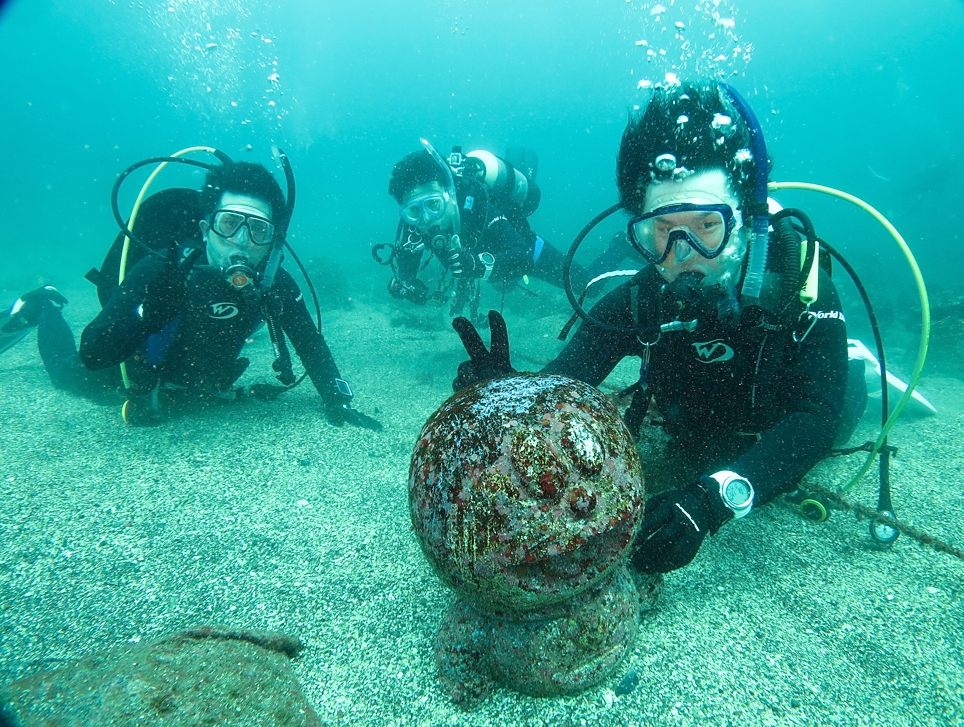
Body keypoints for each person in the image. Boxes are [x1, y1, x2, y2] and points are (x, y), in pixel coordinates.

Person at [449, 80, 852, 575]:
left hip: (779, 427)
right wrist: (512, 395)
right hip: (696, 439)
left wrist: (714, 501)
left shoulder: (797, 291)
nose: (683, 257)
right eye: (662, 231)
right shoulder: (643, 298)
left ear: (745, 219)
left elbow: (815, 419)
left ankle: (863, 367)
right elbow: (568, 378)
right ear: (641, 229)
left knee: (849, 402)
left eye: (707, 227)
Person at [2, 160, 380, 429]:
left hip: (199, 384)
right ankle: (44, 305)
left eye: (259, 231)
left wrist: (336, 397)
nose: (242, 243)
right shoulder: (162, 271)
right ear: (205, 228)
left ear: (272, 243)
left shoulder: (273, 282)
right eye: (230, 224)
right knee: (68, 373)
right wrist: (147, 313)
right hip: (133, 374)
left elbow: (308, 341)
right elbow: (94, 351)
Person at [377, 142, 600, 324]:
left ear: (450, 193)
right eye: (414, 211)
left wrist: (477, 265)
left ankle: (620, 246)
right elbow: (408, 274)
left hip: (527, 251)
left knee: (590, 287)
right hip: (491, 265)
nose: (427, 219)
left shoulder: (475, 202)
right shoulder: (412, 223)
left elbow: (522, 256)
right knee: (505, 282)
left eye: (434, 204)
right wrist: (405, 285)